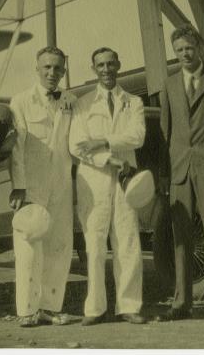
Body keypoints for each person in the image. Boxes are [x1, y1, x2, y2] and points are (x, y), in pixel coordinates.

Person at [69, 47, 147, 325]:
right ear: (94, 69)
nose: (106, 69)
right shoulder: (84, 103)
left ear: (119, 65)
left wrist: (102, 142)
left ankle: (129, 305)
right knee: (95, 243)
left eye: (110, 64)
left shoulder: (133, 102)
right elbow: (77, 144)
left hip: (126, 179)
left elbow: (137, 136)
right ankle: (95, 308)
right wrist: (107, 159)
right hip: (94, 179)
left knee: (127, 241)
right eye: (100, 65)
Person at [157, 25, 204, 323]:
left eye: (189, 48)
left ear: (198, 47)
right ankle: (181, 303)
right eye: (179, 50)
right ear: (174, 53)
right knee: (181, 239)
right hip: (179, 169)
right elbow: (165, 132)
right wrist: (164, 172)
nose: (185, 54)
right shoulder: (170, 85)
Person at [8, 46, 76, 327]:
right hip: (32, 186)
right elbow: (17, 147)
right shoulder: (21, 101)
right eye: (47, 67)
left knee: (59, 246)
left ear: (64, 70)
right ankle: (26, 310)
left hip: (61, 183)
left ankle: (50, 307)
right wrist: (19, 185)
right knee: (28, 246)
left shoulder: (70, 101)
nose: (52, 73)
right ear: (37, 69)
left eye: (58, 68)